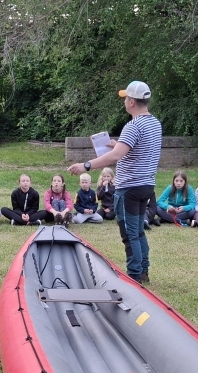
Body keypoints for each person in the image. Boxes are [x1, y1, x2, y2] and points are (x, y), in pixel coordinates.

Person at [67, 80, 162, 284]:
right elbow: (137, 149)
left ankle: (134, 276)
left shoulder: (133, 126)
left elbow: (115, 156)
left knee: (130, 234)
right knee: (138, 231)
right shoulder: (155, 123)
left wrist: (86, 165)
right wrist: (118, 143)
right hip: (146, 186)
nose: (124, 101)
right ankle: (143, 271)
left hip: (129, 188)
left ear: (132, 102)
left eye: (126, 98)